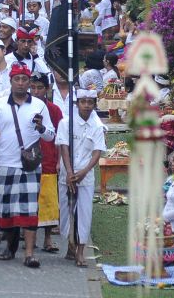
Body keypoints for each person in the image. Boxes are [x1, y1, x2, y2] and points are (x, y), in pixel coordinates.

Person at [0, 63, 56, 268]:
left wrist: (41, 127)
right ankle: (10, 246)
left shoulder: (39, 106)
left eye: (25, 80)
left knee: (29, 210)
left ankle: (30, 253)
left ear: (29, 83)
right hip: (5, 162)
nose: (21, 83)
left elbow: (51, 136)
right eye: (18, 79)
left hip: (29, 165)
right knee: (5, 209)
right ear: (11, 81)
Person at [56, 89, 106, 267]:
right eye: (83, 102)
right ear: (77, 103)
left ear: (94, 104)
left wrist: (83, 171)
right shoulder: (66, 123)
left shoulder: (97, 126)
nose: (86, 105)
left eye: (90, 102)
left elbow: (97, 152)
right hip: (67, 174)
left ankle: (80, 250)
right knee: (66, 211)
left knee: (84, 212)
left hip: (86, 175)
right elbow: (63, 147)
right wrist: (69, 172)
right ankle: (70, 243)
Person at [29, 73, 63, 254]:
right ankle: (30, 238)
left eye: (39, 88)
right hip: (27, 160)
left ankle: (48, 239)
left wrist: (59, 161)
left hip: (49, 159)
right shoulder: (24, 107)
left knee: (49, 201)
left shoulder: (54, 110)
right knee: (29, 201)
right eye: (32, 88)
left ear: (47, 89)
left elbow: (60, 137)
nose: (35, 91)